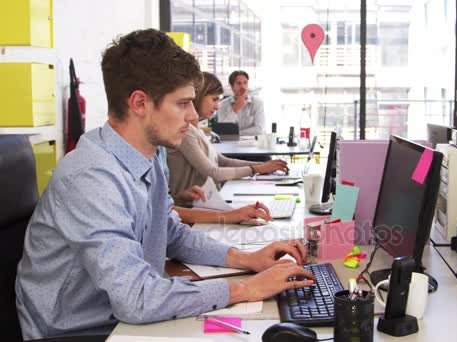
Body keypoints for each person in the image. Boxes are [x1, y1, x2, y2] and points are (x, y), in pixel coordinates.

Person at [15, 29, 314, 340]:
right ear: (140, 102)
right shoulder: (91, 179)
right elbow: (137, 298)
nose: (194, 115)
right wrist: (245, 288)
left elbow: (171, 232)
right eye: (183, 103)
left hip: (122, 316)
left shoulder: (150, 156)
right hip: (81, 331)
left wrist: (246, 258)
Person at [167, 72, 288, 201]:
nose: (217, 106)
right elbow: (213, 172)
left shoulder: (197, 130)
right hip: (193, 208)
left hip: (210, 202)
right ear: (198, 96)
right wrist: (257, 168)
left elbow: (223, 161)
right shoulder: (185, 132)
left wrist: (264, 165)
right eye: (214, 99)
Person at [158, 145, 272, 224]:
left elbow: (160, 207)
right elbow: (162, 213)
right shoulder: (183, 136)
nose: (192, 115)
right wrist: (228, 216)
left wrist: (179, 197)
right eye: (182, 108)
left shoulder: (159, 151)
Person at [217, 70, 265, 135]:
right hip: (230, 143)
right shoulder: (222, 105)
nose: (243, 86)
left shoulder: (257, 103)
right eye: (239, 83)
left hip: (252, 143)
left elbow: (259, 130)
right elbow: (222, 130)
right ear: (232, 87)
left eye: (245, 83)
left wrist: (236, 133)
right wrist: (236, 109)